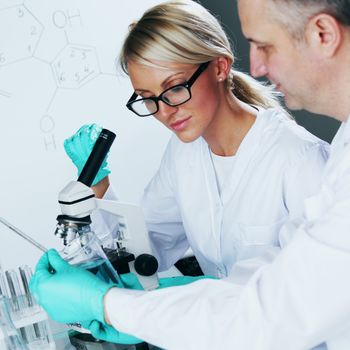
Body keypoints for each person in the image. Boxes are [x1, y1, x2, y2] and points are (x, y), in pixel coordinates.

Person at [29, 0, 350, 348]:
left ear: (220, 68)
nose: (164, 111)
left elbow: (285, 310)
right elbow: (148, 249)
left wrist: (110, 305)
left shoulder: (301, 161)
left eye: (175, 88)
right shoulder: (185, 153)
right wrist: (100, 189)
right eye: (148, 98)